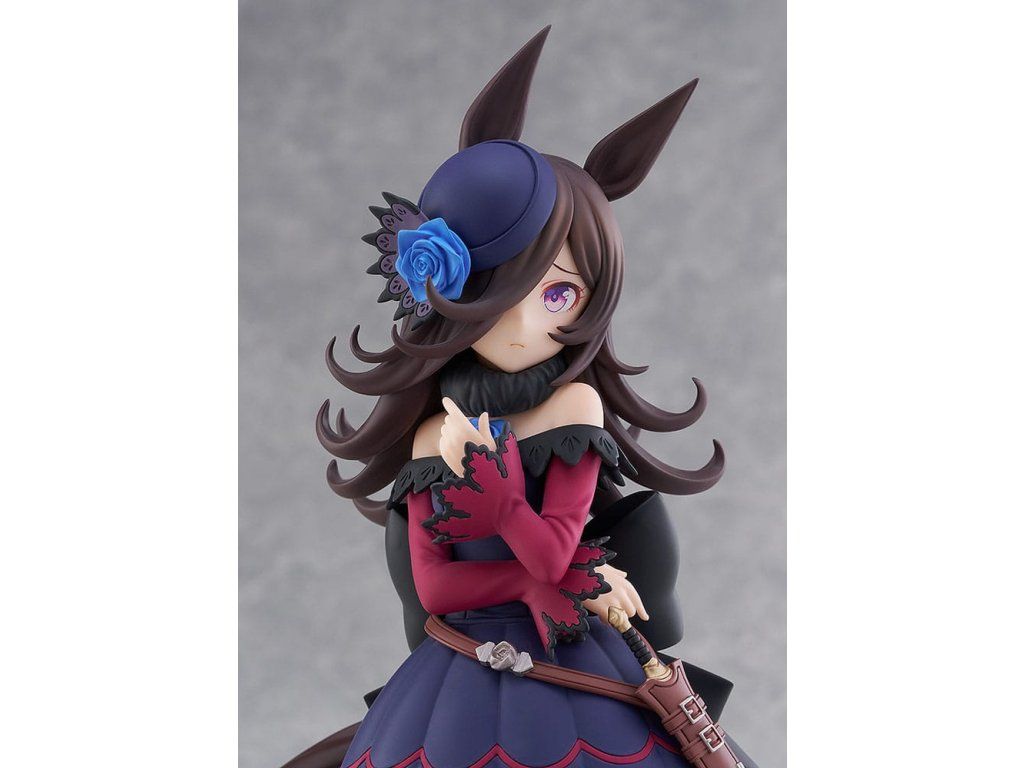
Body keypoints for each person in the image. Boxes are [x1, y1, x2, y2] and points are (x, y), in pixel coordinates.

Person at [285, 27, 758, 768]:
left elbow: (554, 547)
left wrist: (513, 511)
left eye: (559, 294)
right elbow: (437, 587)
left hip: (573, 656)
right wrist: (560, 579)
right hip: (459, 671)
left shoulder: (572, 412)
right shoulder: (431, 434)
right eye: (498, 286)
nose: (522, 323)